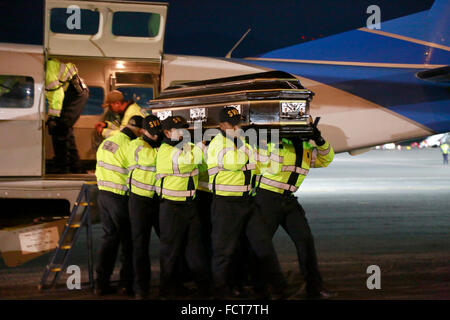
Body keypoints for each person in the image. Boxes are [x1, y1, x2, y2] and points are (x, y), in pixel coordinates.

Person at [207, 106, 289, 299]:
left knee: (263, 244)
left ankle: (278, 286)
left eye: (239, 123)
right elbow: (235, 162)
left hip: (247, 201)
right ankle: (221, 290)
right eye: (232, 124)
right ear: (221, 125)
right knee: (224, 251)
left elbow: (263, 166)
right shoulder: (218, 144)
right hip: (225, 203)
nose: (237, 127)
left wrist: (253, 151)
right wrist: (249, 150)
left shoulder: (242, 142)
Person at [253, 121, 335, 299]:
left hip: (288, 200)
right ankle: (259, 286)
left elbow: (326, 159)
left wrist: (319, 140)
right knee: (261, 245)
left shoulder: (305, 147)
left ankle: (314, 287)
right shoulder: (275, 143)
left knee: (305, 240)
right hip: (267, 198)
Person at [155, 116, 211, 298]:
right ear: (167, 132)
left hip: (189, 205)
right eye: (179, 129)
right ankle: (167, 290)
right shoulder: (164, 151)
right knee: (170, 251)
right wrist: (202, 147)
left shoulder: (185, 146)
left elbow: (199, 165)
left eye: (184, 128)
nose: (183, 132)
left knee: (195, 248)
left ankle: (203, 288)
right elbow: (186, 164)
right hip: (172, 207)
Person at [94, 115, 144, 296]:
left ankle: (101, 282)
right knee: (128, 242)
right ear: (138, 130)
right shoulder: (130, 146)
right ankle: (126, 284)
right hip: (120, 198)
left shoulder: (108, 141)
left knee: (109, 239)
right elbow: (136, 174)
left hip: (103, 195)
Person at [126, 115, 163, 300]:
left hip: (158, 200)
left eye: (158, 133)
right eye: (152, 133)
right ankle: (141, 288)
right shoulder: (136, 144)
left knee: (168, 243)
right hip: (140, 201)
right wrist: (168, 150)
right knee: (140, 246)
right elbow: (150, 159)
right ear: (142, 131)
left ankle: (169, 285)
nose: (155, 137)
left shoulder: (159, 142)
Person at [45, 58, 89, 173]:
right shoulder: (45, 68)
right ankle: (75, 166)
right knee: (65, 129)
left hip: (76, 93)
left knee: (61, 127)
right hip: (72, 92)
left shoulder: (47, 72)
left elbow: (56, 95)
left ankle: (62, 167)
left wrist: (53, 117)